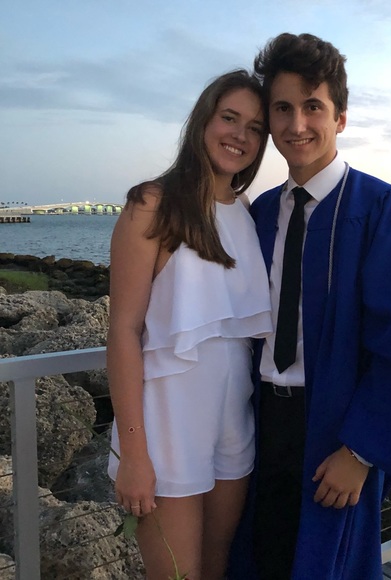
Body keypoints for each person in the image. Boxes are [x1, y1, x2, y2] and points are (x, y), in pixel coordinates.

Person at [230, 34, 391, 580]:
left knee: (328, 565)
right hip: (258, 421)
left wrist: (361, 452)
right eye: (282, 108)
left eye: (312, 107)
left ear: (340, 117)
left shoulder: (384, 210)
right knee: (260, 557)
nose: (297, 124)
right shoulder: (260, 214)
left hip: (335, 428)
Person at [107, 69, 272, 580]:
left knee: (219, 565)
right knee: (178, 574)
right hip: (166, 425)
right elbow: (123, 332)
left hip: (233, 420)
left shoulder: (246, 210)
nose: (240, 135)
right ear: (203, 120)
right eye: (229, 118)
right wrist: (134, 454)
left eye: (255, 127)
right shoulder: (152, 205)